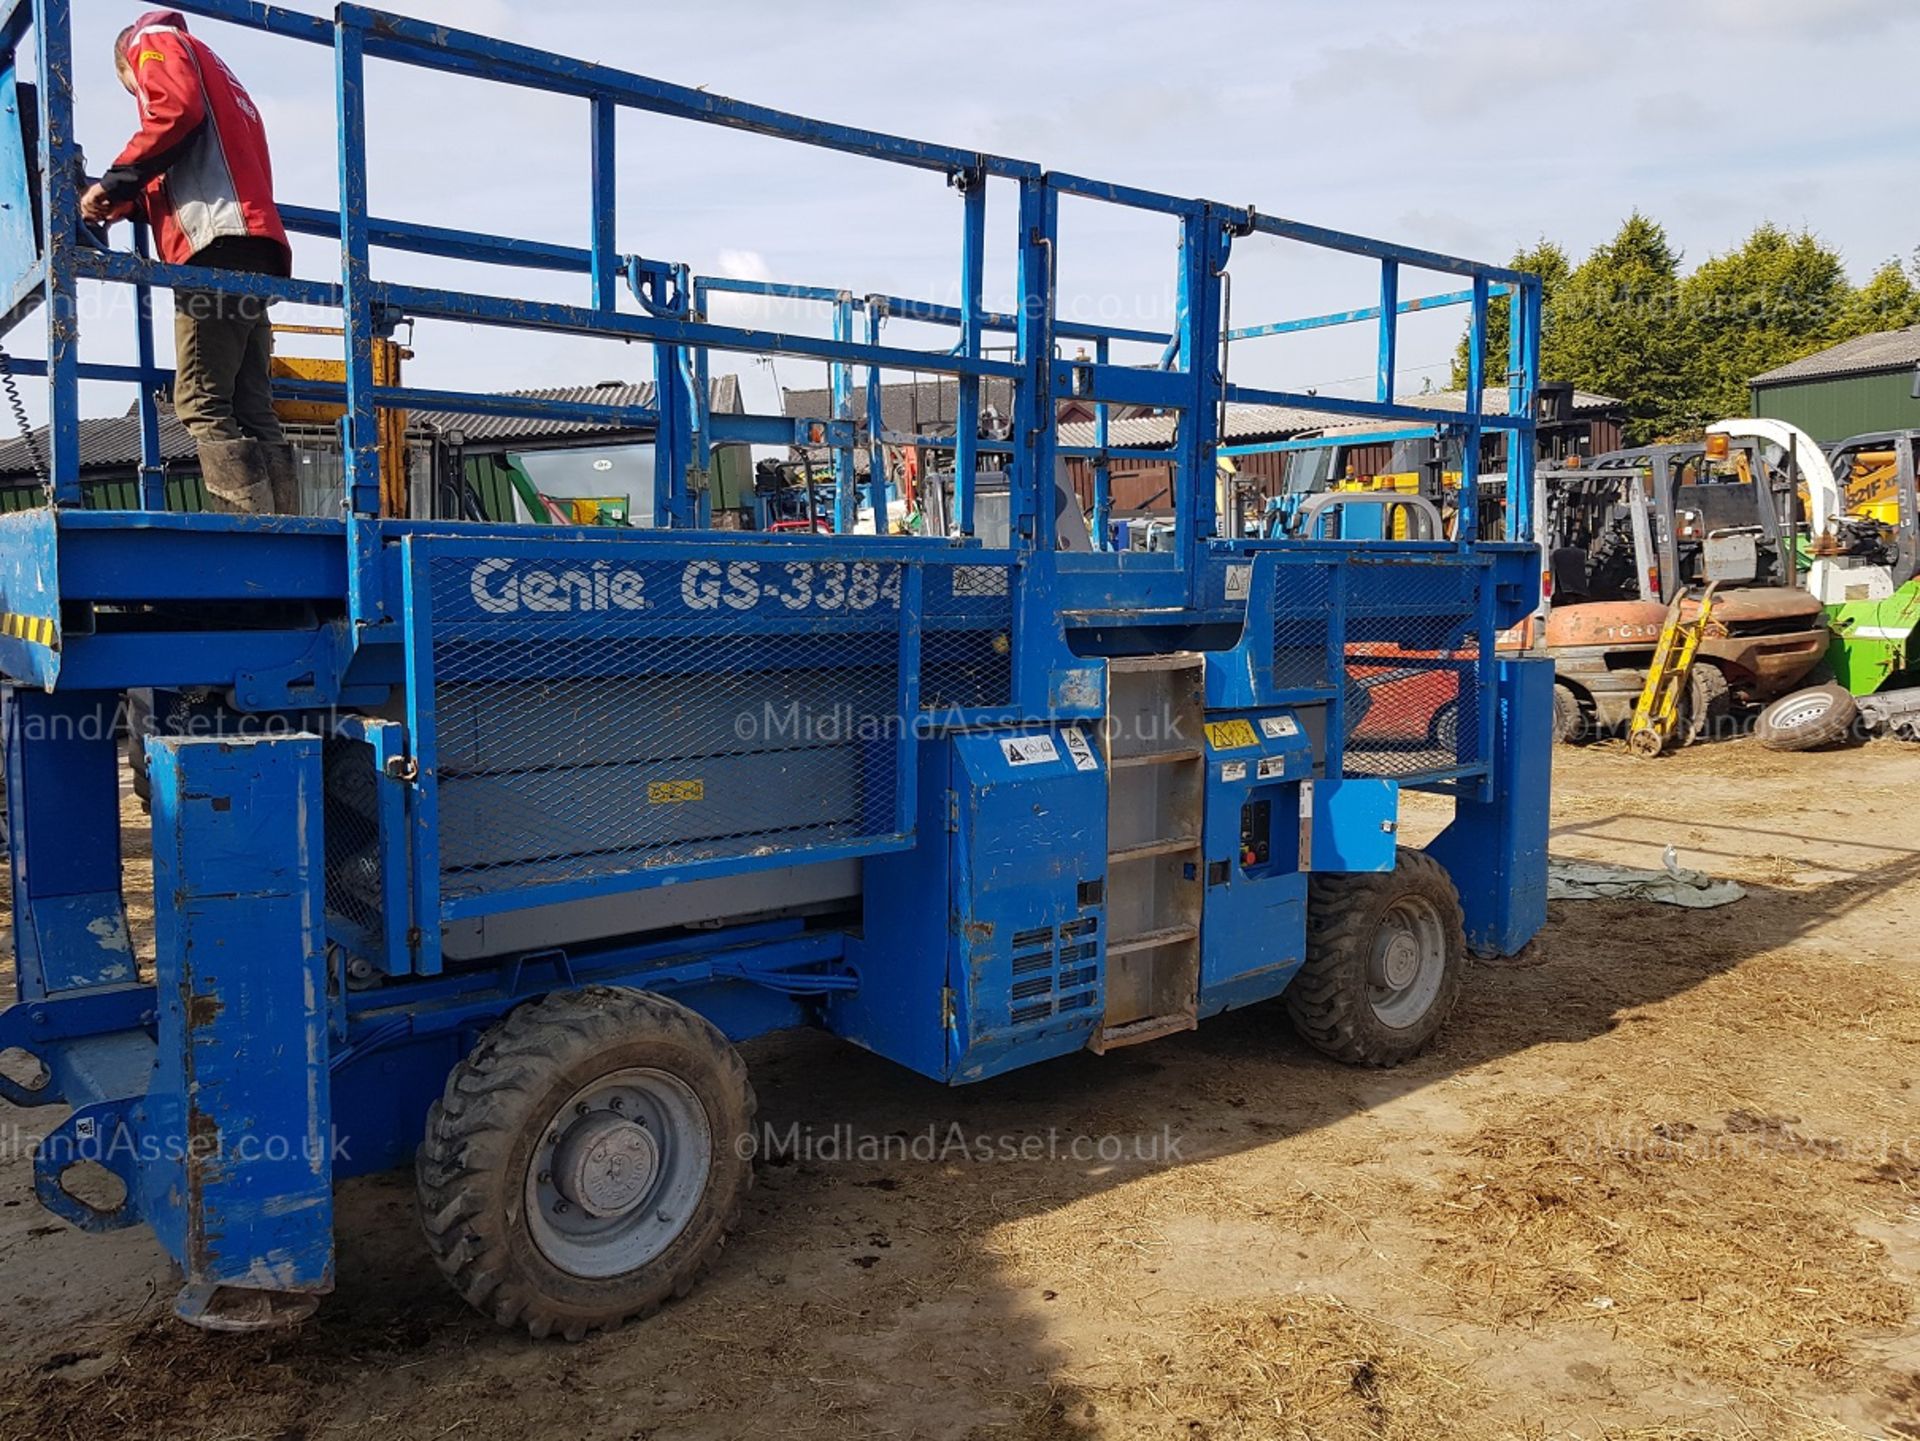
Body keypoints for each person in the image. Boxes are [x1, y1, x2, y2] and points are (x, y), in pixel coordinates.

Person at [79, 10, 296, 514]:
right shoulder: (218, 72)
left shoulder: (151, 39)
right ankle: (287, 525)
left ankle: (248, 531)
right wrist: (123, 198)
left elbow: (175, 114)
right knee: (250, 402)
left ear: (126, 65)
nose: (139, 98)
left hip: (213, 247)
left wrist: (114, 181)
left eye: (133, 90)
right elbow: (184, 157)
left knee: (201, 401)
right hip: (255, 247)